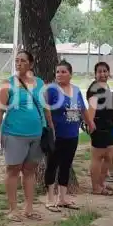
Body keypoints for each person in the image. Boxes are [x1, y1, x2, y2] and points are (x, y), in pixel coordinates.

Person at [0, 50, 53, 222]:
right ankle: (12, 209)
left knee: (29, 171)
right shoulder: (8, 84)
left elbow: (46, 109)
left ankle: (29, 208)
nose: (19, 64)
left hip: (37, 135)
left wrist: (51, 129)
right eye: (17, 61)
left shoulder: (39, 83)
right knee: (13, 170)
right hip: (14, 134)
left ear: (31, 64)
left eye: (23, 61)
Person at [43, 61, 92, 211]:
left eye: (63, 72)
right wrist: (51, 127)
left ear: (70, 74)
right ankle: (50, 198)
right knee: (52, 164)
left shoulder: (76, 90)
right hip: (57, 135)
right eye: (58, 72)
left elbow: (83, 109)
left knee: (66, 165)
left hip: (72, 134)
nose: (60, 74)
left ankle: (62, 198)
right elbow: (47, 110)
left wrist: (90, 123)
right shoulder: (51, 90)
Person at [86, 62, 113, 195]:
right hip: (98, 125)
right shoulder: (94, 89)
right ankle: (95, 187)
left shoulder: (105, 87)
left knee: (110, 155)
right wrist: (91, 124)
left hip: (108, 125)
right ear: (95, 74)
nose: (103, 74)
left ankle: (101, 182)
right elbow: (92, 108)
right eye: (99, 71)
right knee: (97, 156)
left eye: (105, 71)